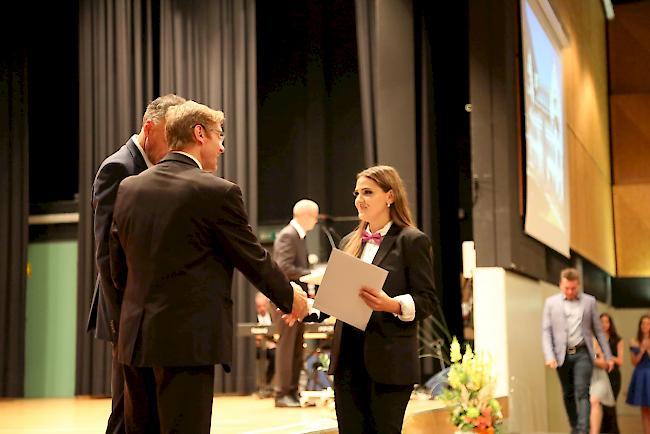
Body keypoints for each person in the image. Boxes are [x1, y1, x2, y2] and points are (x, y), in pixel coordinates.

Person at [109, 100, 309, 433]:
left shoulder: (130, 188)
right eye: (219, 135)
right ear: (198, 134)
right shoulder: (217, 192)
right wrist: (290, 296)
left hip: (135, 340)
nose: (223, 145)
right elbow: (252, 257)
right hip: (186, 343)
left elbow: (117, 268)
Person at [291, 165, 438, 433]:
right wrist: (304, 308)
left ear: (390, 196)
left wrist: (392, 304)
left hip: (389, 363)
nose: (359, 199)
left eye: (368, 192)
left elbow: (427, 300)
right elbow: (336, 299)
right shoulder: (350, 240)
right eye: (357, 192)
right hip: (348, 359)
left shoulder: (411, 241)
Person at [86, 93, 186, 434]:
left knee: (137, 406)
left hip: (145, 310)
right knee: (127, 406)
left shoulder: (152, 167)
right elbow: (105, 251)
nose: (174, 144)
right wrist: (118, 320)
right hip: (124, 309)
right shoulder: (120, 167)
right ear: (149, 127)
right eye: (169, 134)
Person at [542, 268, 614, 434]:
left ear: (578, 285)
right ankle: (575, 427)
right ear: (560, 285)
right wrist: (549, 355)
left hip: (583, 353)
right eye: (566, 288)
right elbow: (546, 331)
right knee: (567, 393)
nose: (570, 291)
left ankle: (583, 430)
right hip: (562, 355)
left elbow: (598, 330)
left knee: (582, 392)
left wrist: (608, 356)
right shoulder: (551, 303)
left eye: (573, 288)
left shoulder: (589, 301)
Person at [272, 199, 319, 408]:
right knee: (287, 347)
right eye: (315, 217)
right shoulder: (288, 235)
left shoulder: (297, 236)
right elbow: (284, 267)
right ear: (305, 215)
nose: (316, 222)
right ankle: (282, 393)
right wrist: (313, 274)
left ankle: (292, 391)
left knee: (296, 348)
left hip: (295, 300)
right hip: (284, 301)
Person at [599, 313, 623, 433]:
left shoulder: (617, 339)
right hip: (600, 375)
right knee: (602, 406)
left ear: (610, 324)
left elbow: (620, 360)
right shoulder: (595, 339)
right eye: (601, 322)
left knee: (611, 405)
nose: (604, 324)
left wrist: (607, 356)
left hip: (613, 376)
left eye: (606, 322)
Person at [626, 314, 650, 434]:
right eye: (643, 323)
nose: (645, 326)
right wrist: (641, 351)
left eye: (648, 323)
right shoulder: (634, 341)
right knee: (644, 408)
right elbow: (634, 362)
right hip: (640, 374)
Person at [254, 292, 275, 398]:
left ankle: (267, 384)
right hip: (258, 348)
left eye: (263, 306)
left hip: (273, 346)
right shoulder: (252, 316)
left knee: (276, 355)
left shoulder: (273, 315)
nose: (261, 308)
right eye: (259, 306)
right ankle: (262, 386)